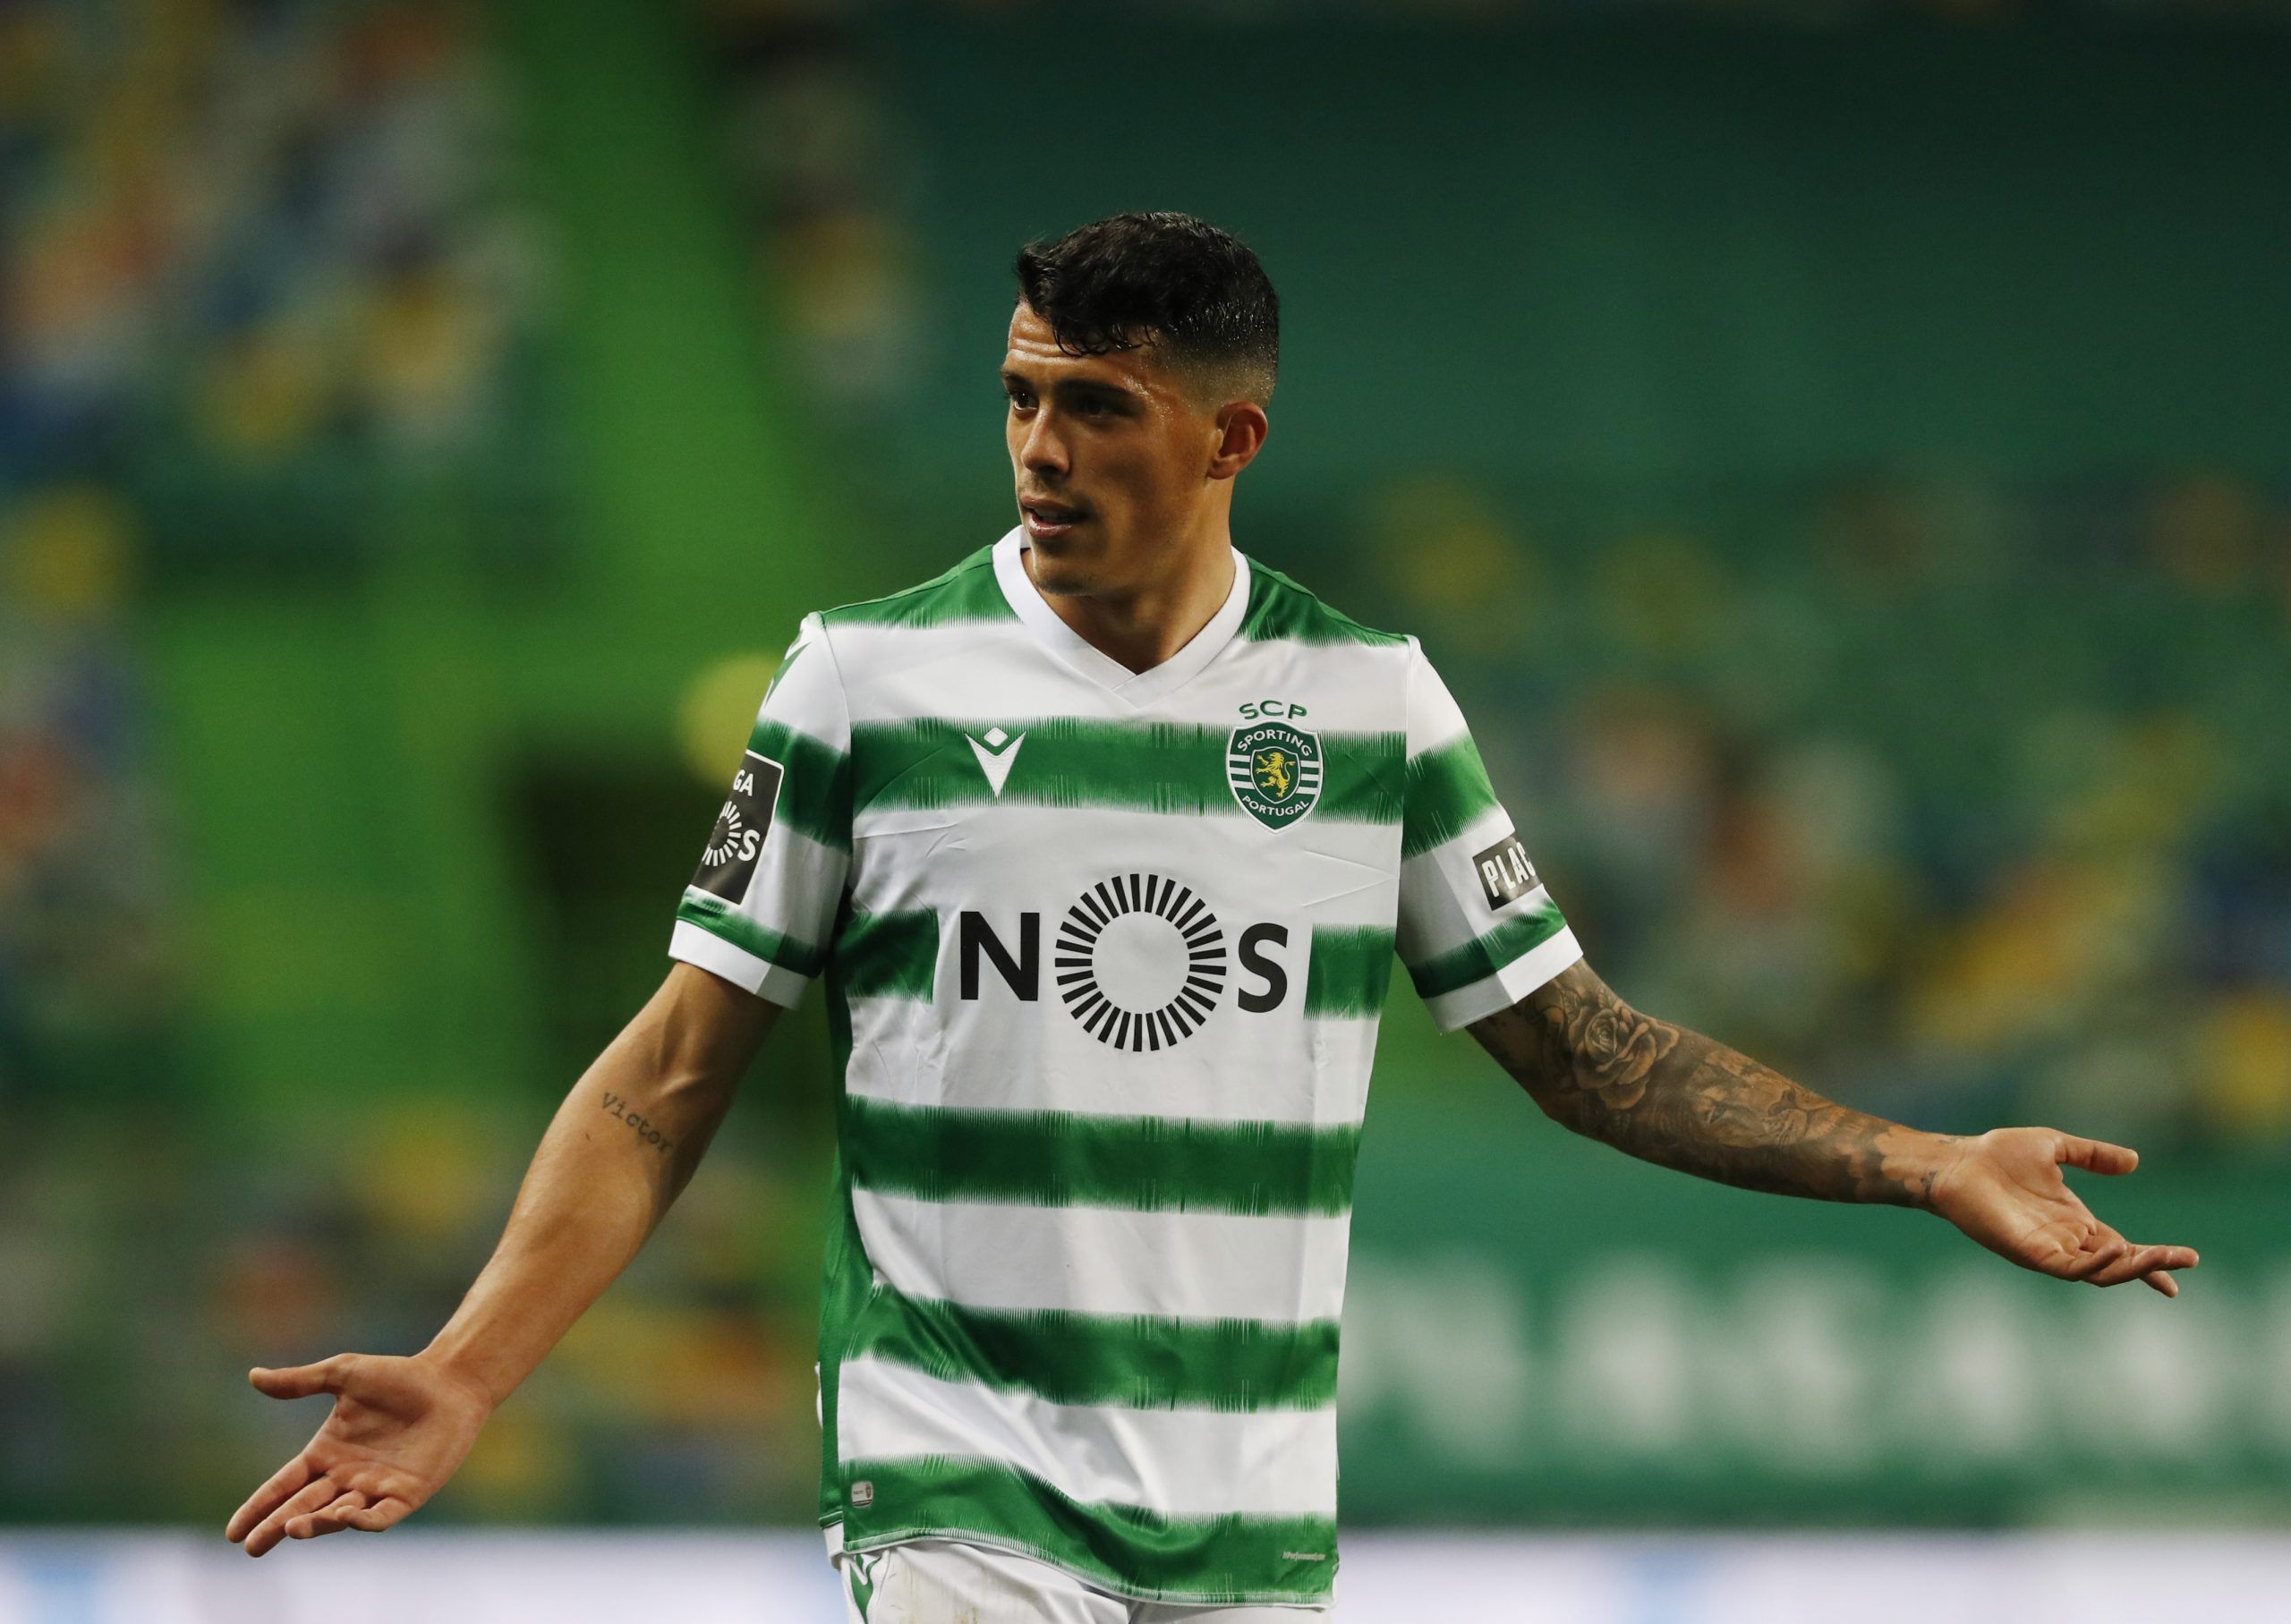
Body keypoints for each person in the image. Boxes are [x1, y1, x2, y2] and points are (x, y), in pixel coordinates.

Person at [224, 212, 2201, 1620]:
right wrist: (475, 1361)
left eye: (1091, 405)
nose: (1036, 449)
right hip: (954, 1492)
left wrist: (1921, 1158)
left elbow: (1583, 1052)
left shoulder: (1368, 704)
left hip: (1252, 1520)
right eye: (1018, 397)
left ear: (1227, 438)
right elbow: (667, 1075)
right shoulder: (862, 683)